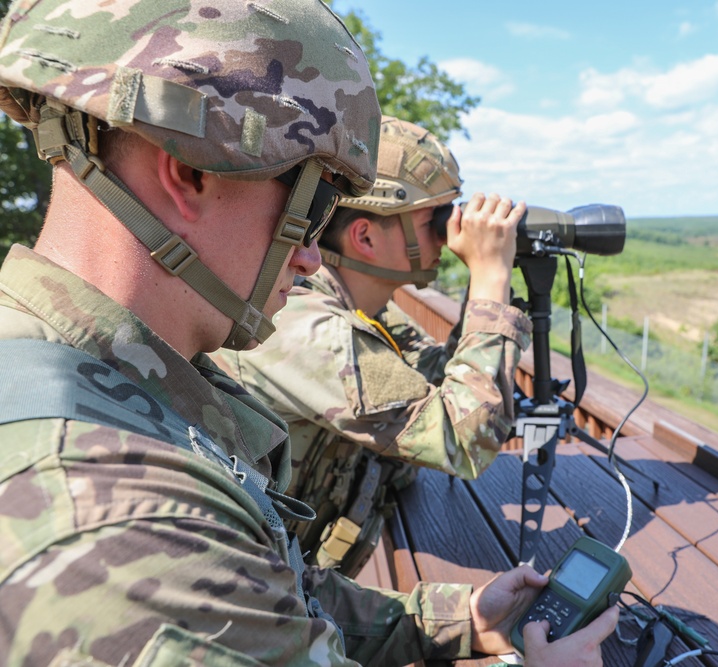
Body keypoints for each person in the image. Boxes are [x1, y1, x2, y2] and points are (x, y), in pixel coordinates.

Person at [0, 1, 617, 666]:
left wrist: (458, 618)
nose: (314, 253)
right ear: (190, 170)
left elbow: (272, 595)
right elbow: (455, 433)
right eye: (314, 202)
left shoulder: (130, 379)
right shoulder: (120, 525)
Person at [212, 116, 532, 576]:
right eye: (434, 220)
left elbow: (440, 381)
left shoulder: (366, 308)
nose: (453, 228)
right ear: (364, 236)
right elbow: (465, 441)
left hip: (311, 571)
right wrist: (490, 275)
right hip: (265, 591)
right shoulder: (308, 329)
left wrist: (486, 290)